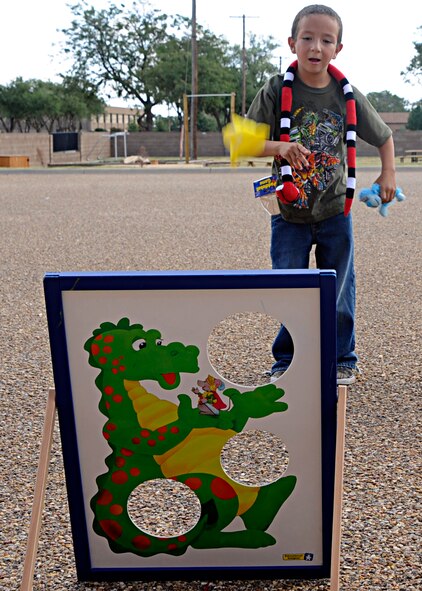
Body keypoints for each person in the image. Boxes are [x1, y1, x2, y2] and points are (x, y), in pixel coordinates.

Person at [247, 4, 396, 385]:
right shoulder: (276, 88)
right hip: (288, 213)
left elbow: (383, 136)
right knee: (288, 286)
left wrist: (388, 173)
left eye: (326, 40)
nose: (316, 46)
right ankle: (287, 359)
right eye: (307, 38)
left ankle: (342, 357)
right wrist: (278, 149)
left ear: (338, 48)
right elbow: (241, 140)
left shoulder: (345, 94)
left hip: (334, 210)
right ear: (292, 43)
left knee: (340, 285)